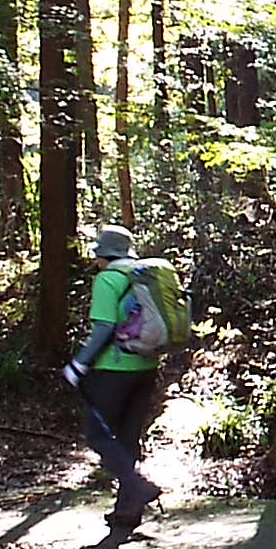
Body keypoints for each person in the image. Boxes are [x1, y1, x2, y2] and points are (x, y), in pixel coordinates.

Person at [61, 225, 162, 531]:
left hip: (113, 370)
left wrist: (79, 364)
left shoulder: (108, 279)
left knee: (97, 434)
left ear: (105, 254)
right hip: (147, 365)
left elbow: (104, 327)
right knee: (128, 437)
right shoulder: (146, 275)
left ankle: (137, 486)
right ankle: (127, 511)